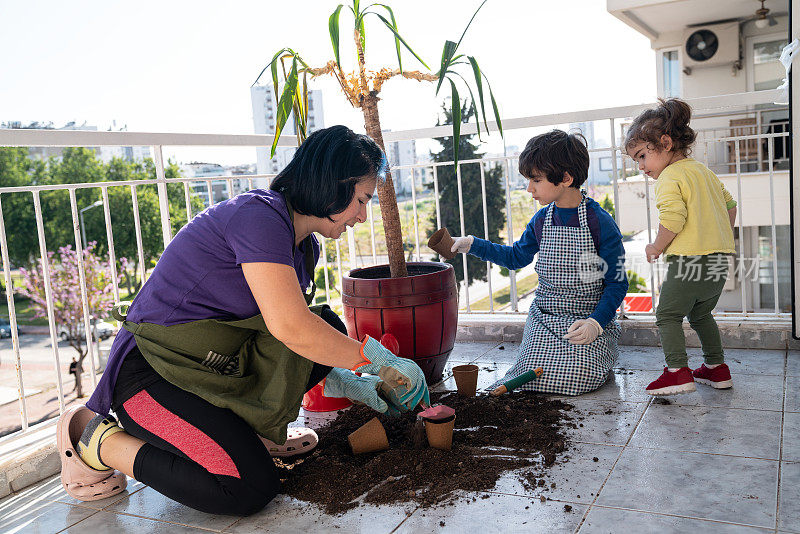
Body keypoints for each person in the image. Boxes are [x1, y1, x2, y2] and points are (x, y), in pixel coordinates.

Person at [56, 125, 430, 515]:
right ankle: (96, 439)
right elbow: (291, 330)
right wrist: (380, 361)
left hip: (205, 369)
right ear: (334, 184)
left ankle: (244, 437)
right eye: (361, 200)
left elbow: (284, 341)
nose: (362, 216)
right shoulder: (258, 218)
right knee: (249, 487)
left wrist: (353, 382)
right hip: (150, 376)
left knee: (328, 326)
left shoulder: (303, 247)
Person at [450, 130, 627, 396]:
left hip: (585, 320)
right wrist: (473, 244)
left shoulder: (599, 222)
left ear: (566, 178)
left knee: (578, 377)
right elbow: (515, 257)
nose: (529, 188)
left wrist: (596, 323)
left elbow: (617, 283)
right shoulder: (542, 220)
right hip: (544, 319)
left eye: (536, 180)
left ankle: (598, 352)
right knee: (529, 374)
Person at [625, 98, 737, 396]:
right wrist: (721, 235)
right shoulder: (703, 171)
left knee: (667, 315)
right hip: (719, 259)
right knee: (701, 315)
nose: (641, 167)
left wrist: (656, 247)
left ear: (664, 142)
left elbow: (673, 218)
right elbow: (730, 205)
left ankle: (677, 372)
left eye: (641, 156)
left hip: (689, 260)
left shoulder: (669, 177)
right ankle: (716, 369)